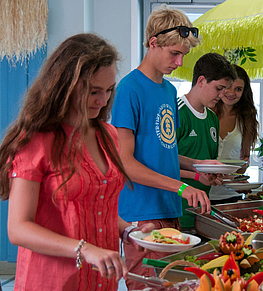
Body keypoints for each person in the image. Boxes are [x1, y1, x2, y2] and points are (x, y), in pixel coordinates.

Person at [0, 33, 153, 291]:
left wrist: (128, 231)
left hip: (100, 282)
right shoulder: (36, 141)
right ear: (66, 86)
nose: (103, 101)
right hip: (51, 282)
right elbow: (18, 228)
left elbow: (95, 208)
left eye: (108, 90)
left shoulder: (109, 136)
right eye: (94, 91)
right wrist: (85, 249)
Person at [110, 5, 217, 290]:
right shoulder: (129, 89)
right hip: (142, 214)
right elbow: (125, 162)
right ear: (153, 43)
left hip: (170, 209)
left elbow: (163, 151)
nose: (180, 62)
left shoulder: (169, 90)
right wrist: (181, 188)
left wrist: (197, 171)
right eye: (174, 53)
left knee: (172, 286)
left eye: (183, 54)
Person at [177, 53, 237, 230]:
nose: (222, 95)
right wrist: (197, 175)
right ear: (201, 81)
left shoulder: (212, 118)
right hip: (176, 213)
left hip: (202, 213)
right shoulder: (176, 112)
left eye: (225, 89)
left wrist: (215, 175)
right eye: (219, 88)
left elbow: (206, 164)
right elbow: (162, 162)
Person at [209, 65, 259, 204]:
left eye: (238, 89)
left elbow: (244, 160)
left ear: (244, 92)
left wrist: (239, 177)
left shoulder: (245, 119)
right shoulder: (205, 114)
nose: (232, 93)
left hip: (230, 195)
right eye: (228, 87)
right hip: (201, 192)